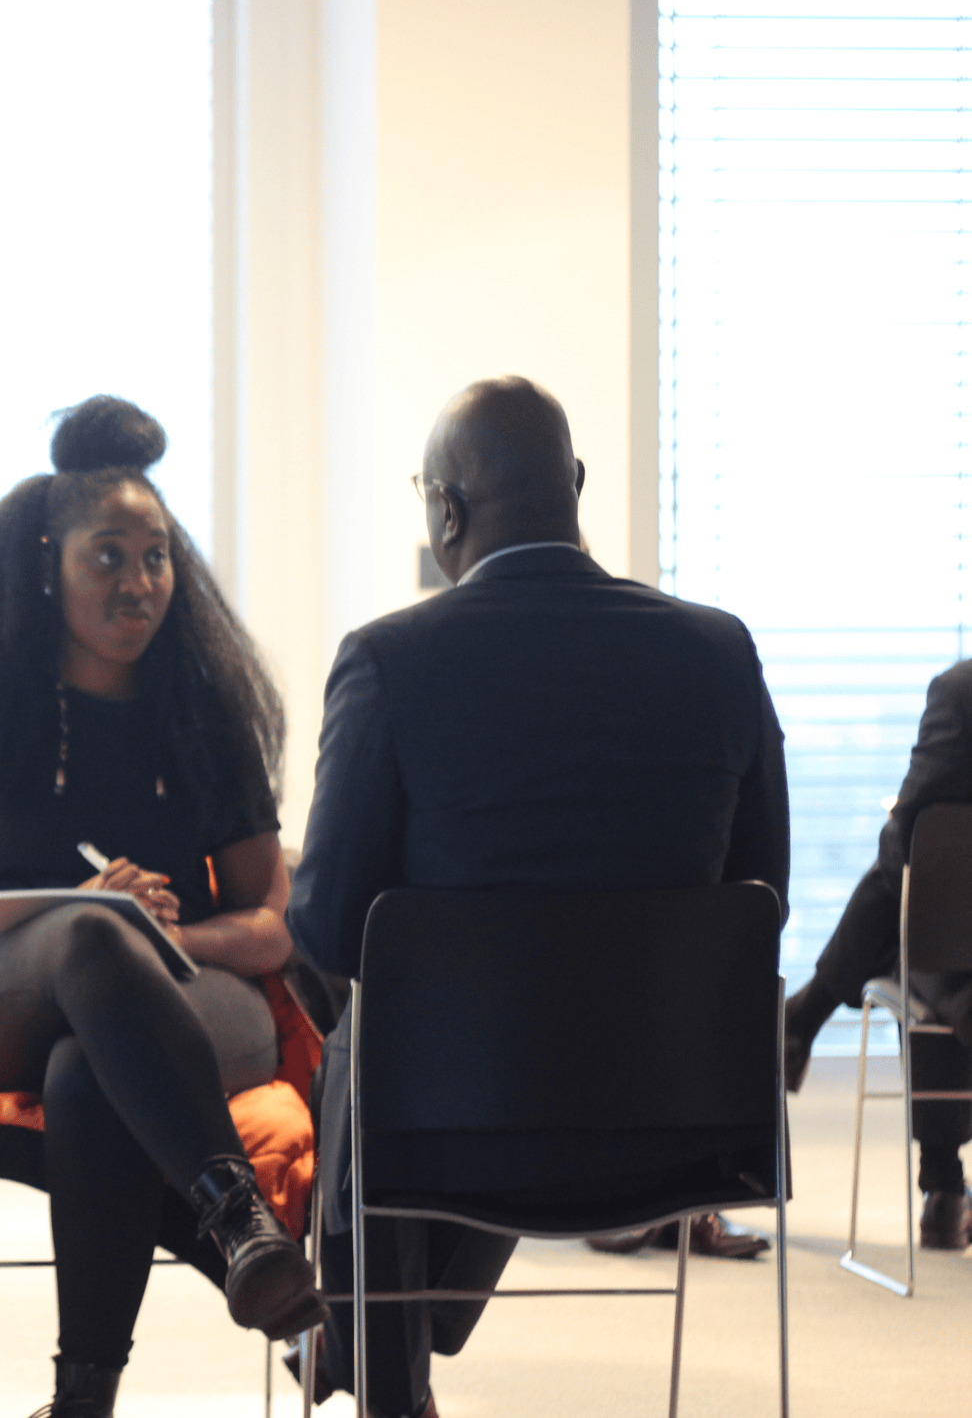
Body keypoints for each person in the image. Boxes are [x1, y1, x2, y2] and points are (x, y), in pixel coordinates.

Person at [286, 376, 790, 1418]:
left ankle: (381, 1364)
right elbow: (762, 896)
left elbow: (328, 927)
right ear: (578, 485)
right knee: (453, 1048)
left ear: (445, 512)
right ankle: (382, 1344)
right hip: (682, 1124)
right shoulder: (719, 651)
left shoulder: (389, 660)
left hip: (450, 1129)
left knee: (373, 1047)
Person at [0, 396, 327, 1418]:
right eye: (109, 558)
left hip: (190, 992)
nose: (139, 584)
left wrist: (166, 934)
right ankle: (239, 1222)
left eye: (157, 557)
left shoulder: (207, 712)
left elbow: (273, 925)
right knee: (94, 934)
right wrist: (75, 912)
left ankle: (82, 1397)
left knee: (89, 1070)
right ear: (49, 564)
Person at [782, 658, 972, 1249]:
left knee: (926, 939)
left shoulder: (963, 692)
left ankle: (943, 1186)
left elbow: (911, 839)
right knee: (934, 924)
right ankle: (802, 1019)